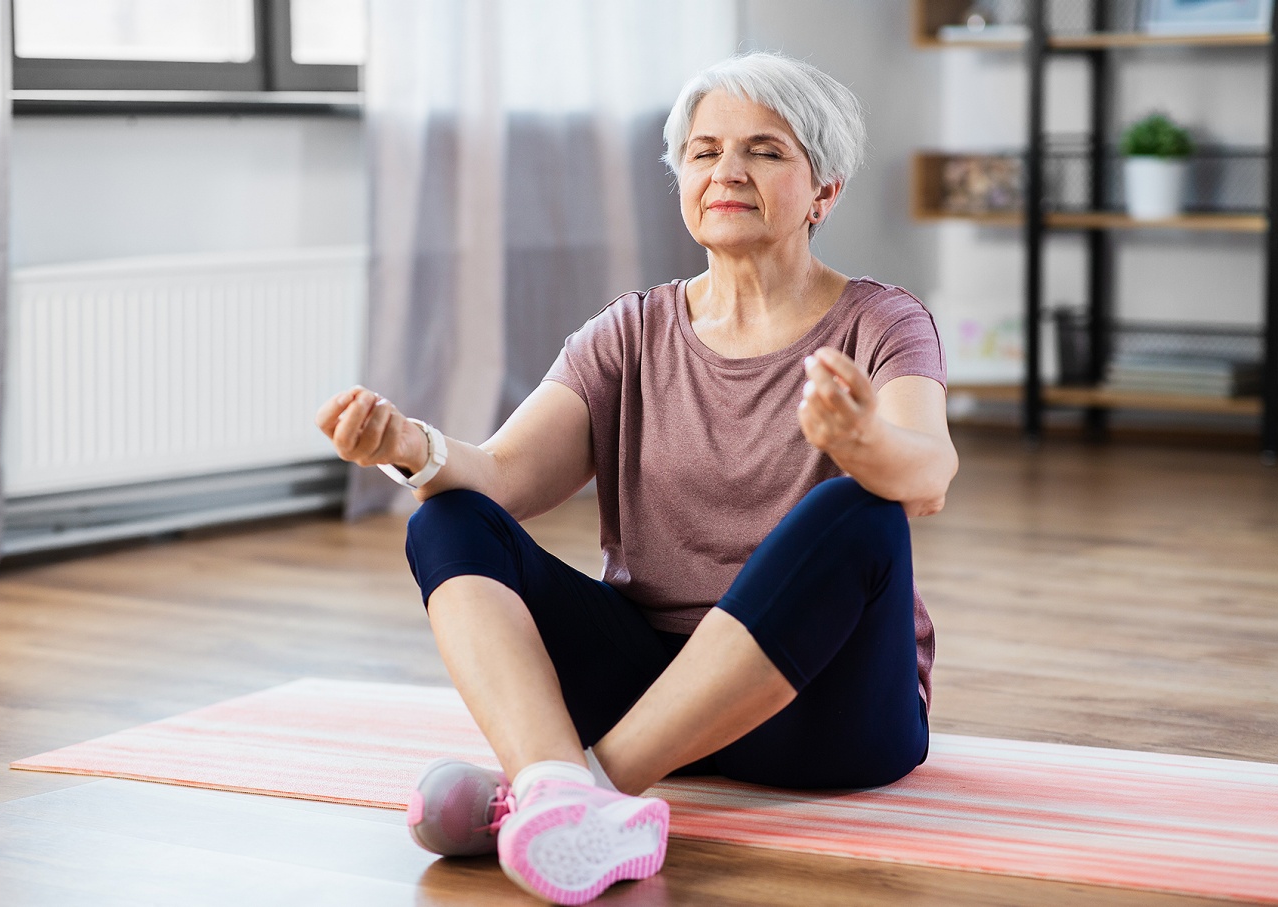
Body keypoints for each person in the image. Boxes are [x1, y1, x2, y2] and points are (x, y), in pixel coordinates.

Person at [316, 51, 957, 906]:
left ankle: (577, 787)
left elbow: (928, 472)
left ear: (825, 191)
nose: (728, 170)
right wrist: (409, 443)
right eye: (704, 151)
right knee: (447, 515)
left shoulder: (881, 321)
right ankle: (553, 789)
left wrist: (865, 439)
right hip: (651, 691)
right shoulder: (631, 331)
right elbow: (503, 474)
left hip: (825, 720)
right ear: (682, 179)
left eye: (766, 151)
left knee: (859, 507)